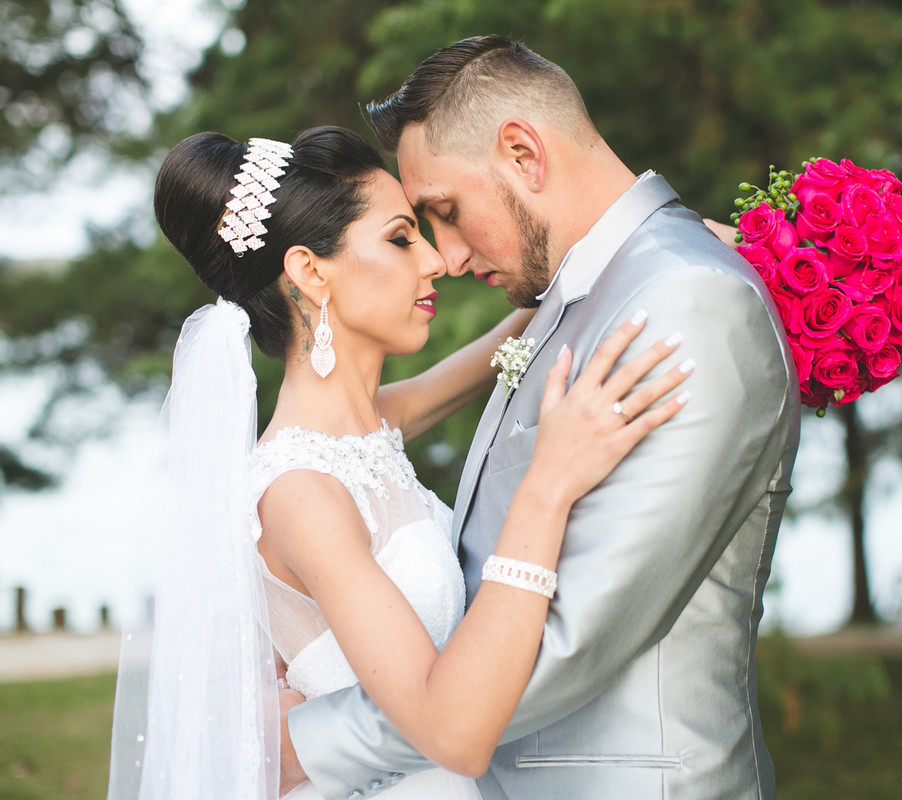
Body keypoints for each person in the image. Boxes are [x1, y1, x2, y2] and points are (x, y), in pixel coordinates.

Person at [282, 36, 800, 800]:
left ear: (524, 154)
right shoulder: (580, 298)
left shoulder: (688, 301)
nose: (446, 258)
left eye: (446, 214)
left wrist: (304, 743)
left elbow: (576, 638)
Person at [106, 125, 693, 800]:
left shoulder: (373, 426)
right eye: (400, 237)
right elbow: (455, 733)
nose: (436, 261)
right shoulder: (302, 492)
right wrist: (549, 484)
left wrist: (659, 249)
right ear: (309, 271)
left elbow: (523, 328)